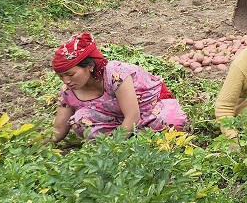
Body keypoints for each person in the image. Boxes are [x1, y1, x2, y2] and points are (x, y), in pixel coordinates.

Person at [52, 32, 189, 142]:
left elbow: (133, 116)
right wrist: (38, 143)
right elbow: (59, 128)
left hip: (147, 110)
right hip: (114, 120)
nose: (66, 81)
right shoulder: (68, 91)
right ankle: (130, 139)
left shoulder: (115, 74)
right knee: (80, 120)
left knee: (171, 122)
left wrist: (113, 148)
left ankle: (128, 140)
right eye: (61, 77)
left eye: (70, 74)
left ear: (90, 67)